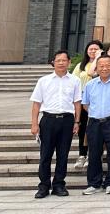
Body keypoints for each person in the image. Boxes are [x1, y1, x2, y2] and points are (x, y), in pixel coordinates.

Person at [31, 49, 82, 198]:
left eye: (64, 60)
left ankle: (59, 185)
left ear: (69, 62)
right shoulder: (43, 81)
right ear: (53, 62)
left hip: (67, 120)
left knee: (63, 154)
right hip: (48, 120)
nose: (61, 63)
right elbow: (36, 103)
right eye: (58, 60)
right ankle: (43, 186)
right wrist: (34, 124)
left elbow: (77, 103)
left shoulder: (75, 81)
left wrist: (77, 121)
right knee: (45, 155)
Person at [81, 54, 110, 196]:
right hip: (94, 122)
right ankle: (94, 183)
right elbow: (85, 104)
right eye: (101, 66)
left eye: (108, 65)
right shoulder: (90, 84)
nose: (104, 68)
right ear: (96, 67)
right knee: (94, 153)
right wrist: (96, 113)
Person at [74, 40, 103, 169]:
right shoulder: (80, 65)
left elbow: (92, 73)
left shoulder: (102, 64)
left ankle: (93, 154)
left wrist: (97, 58)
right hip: (82, 100)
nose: (93, 51)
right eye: (90, 49)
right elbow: (74, 82)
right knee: (83, 129)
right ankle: (82, 154)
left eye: (96, 49)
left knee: (94, 129)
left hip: (97, 100)